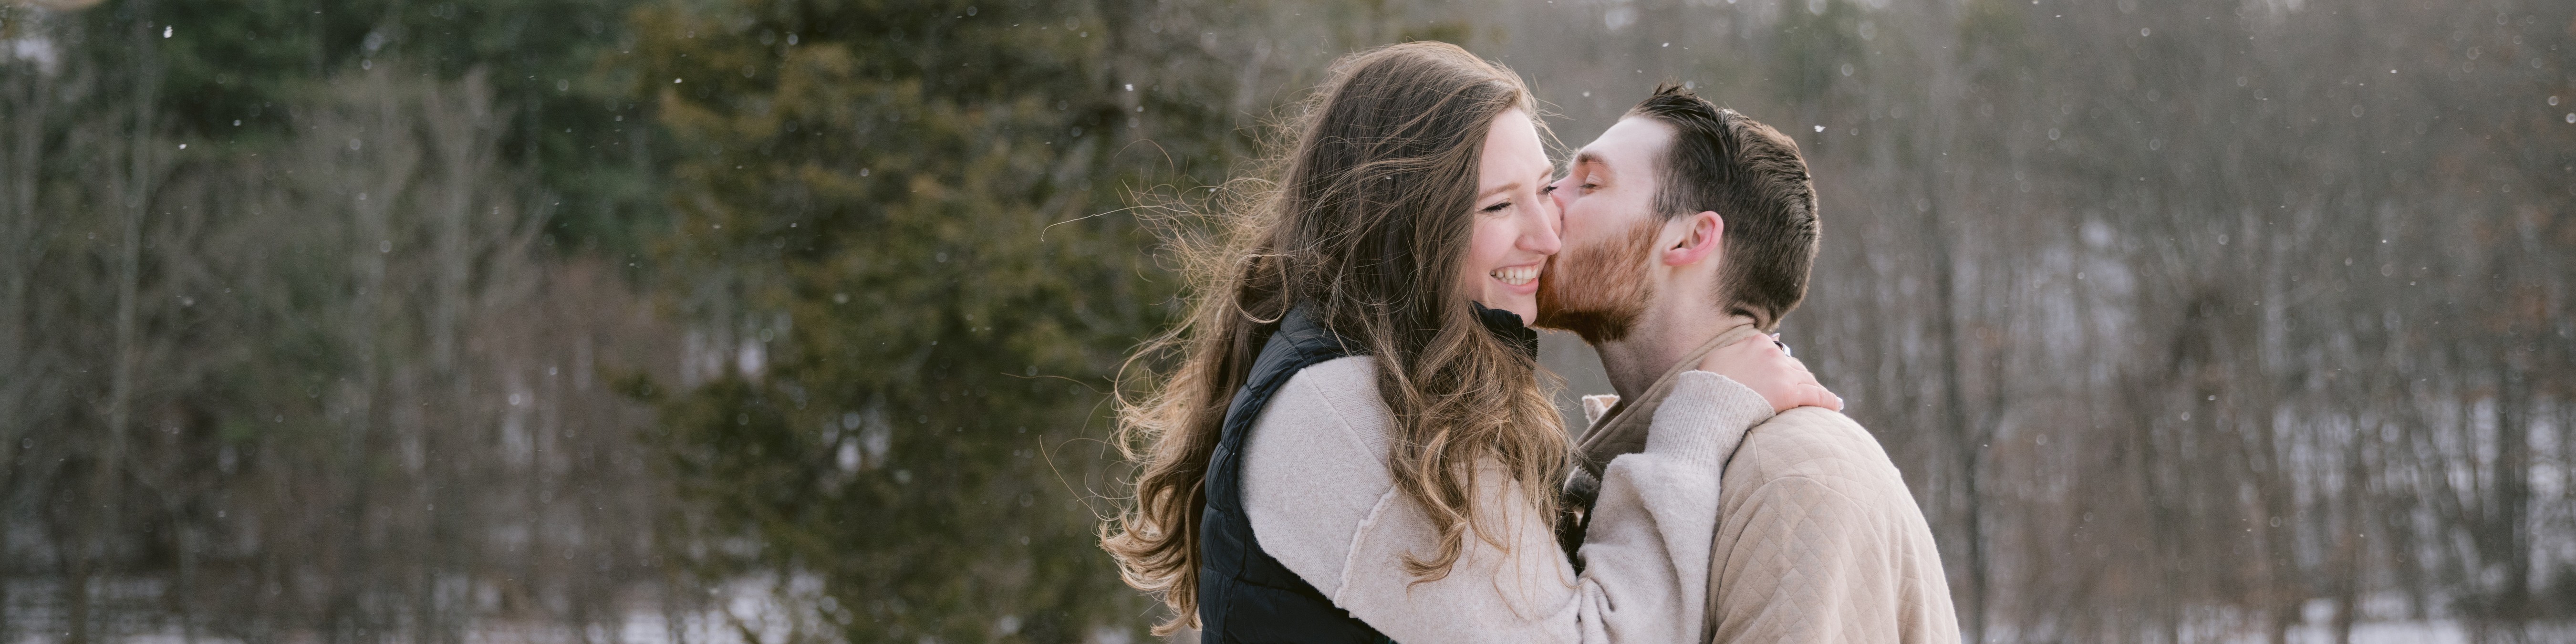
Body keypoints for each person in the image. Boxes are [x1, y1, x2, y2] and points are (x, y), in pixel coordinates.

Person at [1100, 43, 1837, 643]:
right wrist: (1702, 418)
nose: (1548, 233)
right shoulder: (1347, 410)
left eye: (1544, 188)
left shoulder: (1406, 378)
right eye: (1498, 206)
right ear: (1407, 223)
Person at [1538, 83, 1960, 644]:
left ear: (1690, 238)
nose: (1546, 201)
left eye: (1588, 184)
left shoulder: (1791, 478)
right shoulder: (1650, 463)